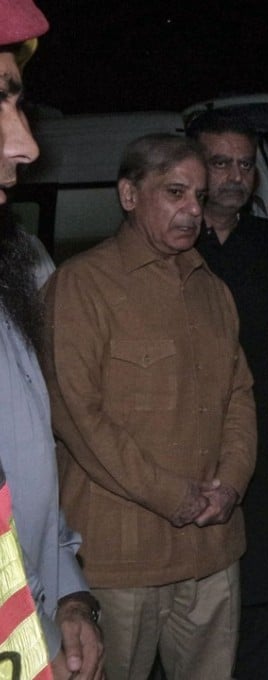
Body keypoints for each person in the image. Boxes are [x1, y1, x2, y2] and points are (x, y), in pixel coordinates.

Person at [42, 133, 256, 680]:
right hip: (122, 557)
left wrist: (231, 482)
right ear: (129, 195)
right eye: (175, 192)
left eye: (198, 196)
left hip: (211, 551)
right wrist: (175, 497)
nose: (192, 210)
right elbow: (78, 418)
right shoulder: (82, 285)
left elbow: (239, 395)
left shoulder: (212, 290)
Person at [0, 2, 104, 677]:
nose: (26, 145)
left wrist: (65, 594)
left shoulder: (19, 268)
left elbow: (30, 458)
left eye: (16, 103)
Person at [187, 112, 268, 680]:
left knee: (263, 585)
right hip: (184, 441)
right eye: (220, 162)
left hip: (262, 433)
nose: (234, 176)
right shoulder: (172, 244)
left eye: (246, 165)